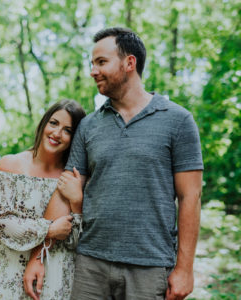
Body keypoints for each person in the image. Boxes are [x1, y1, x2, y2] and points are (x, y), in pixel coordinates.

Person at [24, 27, 203, 300]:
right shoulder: (88, 126)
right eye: (92, 63)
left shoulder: (177, 120)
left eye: (101, 62)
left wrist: (185, 269)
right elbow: (65, 189)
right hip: (89, 265)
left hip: (151, 267)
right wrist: (39, 254)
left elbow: (190, 196)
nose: (93, 71)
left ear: (129, 63)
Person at [0, 99, 86, 300]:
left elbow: (76, 239)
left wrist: (77, 204)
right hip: (10, 273)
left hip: (57, 276)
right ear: (43, 123)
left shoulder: (73, 178)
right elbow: (1, 222)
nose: (56, 133)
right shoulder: (10, 166)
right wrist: (49, 229)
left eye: (68, 130)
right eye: (53, 123)